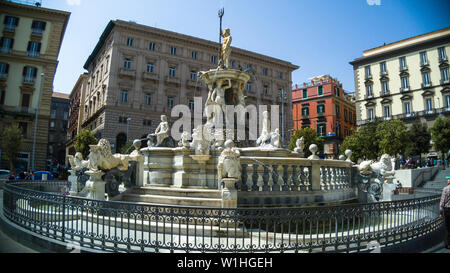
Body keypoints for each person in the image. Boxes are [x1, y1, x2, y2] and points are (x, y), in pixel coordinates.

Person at [440, 176, 450, 249]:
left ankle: (447, 243)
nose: (447, 180)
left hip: (447, 210)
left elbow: (442, 201)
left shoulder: (446, 189)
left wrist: (440, 211)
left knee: (447, 227)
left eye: (448, 179)